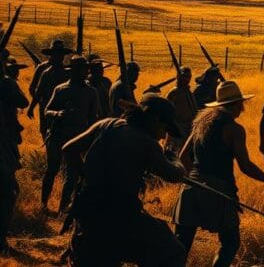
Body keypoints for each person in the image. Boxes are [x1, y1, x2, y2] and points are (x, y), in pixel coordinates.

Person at [175, 81, 264, 267]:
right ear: (238, 104)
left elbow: (183, 156)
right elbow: (245, 167)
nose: (243, 108)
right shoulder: (235, 129)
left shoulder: (200, 122)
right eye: (241, 104)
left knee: (181, 245)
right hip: (219, 192)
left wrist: (197, 180)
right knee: (230, 243)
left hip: (190, 189)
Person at [63, 94, 187, 267]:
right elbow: (174, 175)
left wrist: (86, 174)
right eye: (165, 128)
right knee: (173, 251)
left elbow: (69, 149)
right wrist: (175, 159)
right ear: (156, 120)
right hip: (120, 217)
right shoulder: (147, 143)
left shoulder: (106, 124)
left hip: (87, 214)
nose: (163, 135)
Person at [42, 55, 101, 214]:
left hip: (77, 137)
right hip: (57, 134)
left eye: (86, 68)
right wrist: (58, 114)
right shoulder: (60, 89)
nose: (85, 71)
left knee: (72, 174)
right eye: (82, 68)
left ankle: (63, 209)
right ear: (73, 71)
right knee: (52, 169)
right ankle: (43, 206)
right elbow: (47, 110)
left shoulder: (91, 92)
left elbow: (94, 118)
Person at [0, 58, 28, 254]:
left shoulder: (6, 83)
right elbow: (23, 101)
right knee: (8, 191)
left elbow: (22, 102)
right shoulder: (7, 83)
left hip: (5, 141)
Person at [27, 39, 72, 137]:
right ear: (51, 54)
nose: (60, 56)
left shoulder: (67, 71)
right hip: (46, 107)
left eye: (61, 54)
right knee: (46, 131)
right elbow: (34, 89)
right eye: (57, 54)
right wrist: (37, 103)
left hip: (63, 108)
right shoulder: (43, 69)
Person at [166, 67, 198, 155]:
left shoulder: (189, 92)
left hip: (190, 129)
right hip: (178, 130)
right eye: (185, 76)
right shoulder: (174, 93)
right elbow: (168, 114)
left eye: (189, 76)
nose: (187, 79)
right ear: (179, 77)